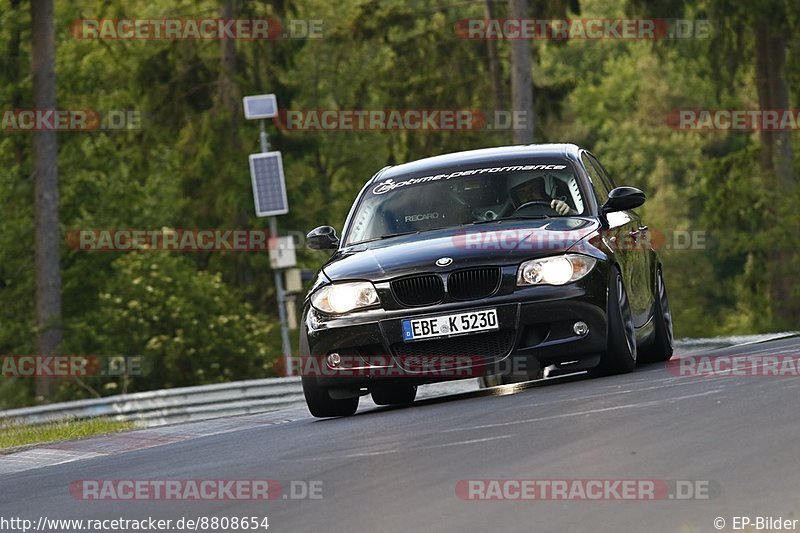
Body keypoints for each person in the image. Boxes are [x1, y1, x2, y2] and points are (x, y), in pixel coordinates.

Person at [510, 176, 576, 215]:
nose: (528, 195)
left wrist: (569, 212)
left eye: (534, 189)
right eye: (522, 193)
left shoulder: (560, 209)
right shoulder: (509, 223)